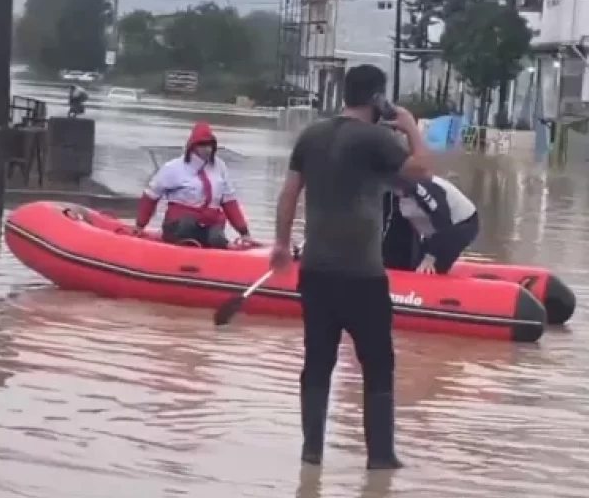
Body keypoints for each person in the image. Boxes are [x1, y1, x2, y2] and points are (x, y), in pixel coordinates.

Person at [269, 64, 432, 470]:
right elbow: (421, 170)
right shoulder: (377, 139)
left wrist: (280, 242)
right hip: (362, 273)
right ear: (378, 98)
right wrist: (411, 128)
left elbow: (289, 193)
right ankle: (380, 457)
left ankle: (312, 453)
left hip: (316, 270)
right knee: (378, 362)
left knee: (318, 359)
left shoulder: (311, 135)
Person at [133, 121, 255, 248]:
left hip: (208, 224)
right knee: (187, 223)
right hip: (179, 224)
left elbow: (229, 203)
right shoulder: (173, 168)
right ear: (193, 146)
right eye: (202, 145)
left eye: (210, 145)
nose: (207, 149)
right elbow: (151, 196)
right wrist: (140, 225)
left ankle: (218, 253)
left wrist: (244, 232)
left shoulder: (220, 167)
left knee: (216, 237)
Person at [382, 175, 479, 275]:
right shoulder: (388, 193)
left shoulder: (425, 188)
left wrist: (430, 257)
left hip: (460, 224)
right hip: (427, 228)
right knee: (403, 256)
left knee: (430, 267)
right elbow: (384, 223)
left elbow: (443, 222)